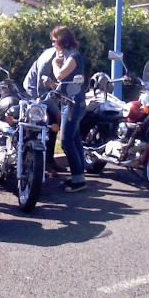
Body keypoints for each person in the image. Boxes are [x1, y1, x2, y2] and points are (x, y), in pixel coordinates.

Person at [48, 26, 87, 193]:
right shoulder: (70, 55)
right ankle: (78, 176)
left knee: (66, 141)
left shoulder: (73, 57)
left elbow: (60, 75)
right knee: (75, 140)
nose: (53, 43)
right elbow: (62, 83)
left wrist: (54, 64)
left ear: (62, 40)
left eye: (54, 40)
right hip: (69, 102)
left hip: (73, 104)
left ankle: (78, 180)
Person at [23, 45, 61, 177]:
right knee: (43, 121)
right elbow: (41, 92)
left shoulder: (65, 55)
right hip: (34, 90)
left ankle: (49, 160)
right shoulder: (47, 61)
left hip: (50, 92)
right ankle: (39, 163)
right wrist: (56, 110)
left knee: (54, 125)